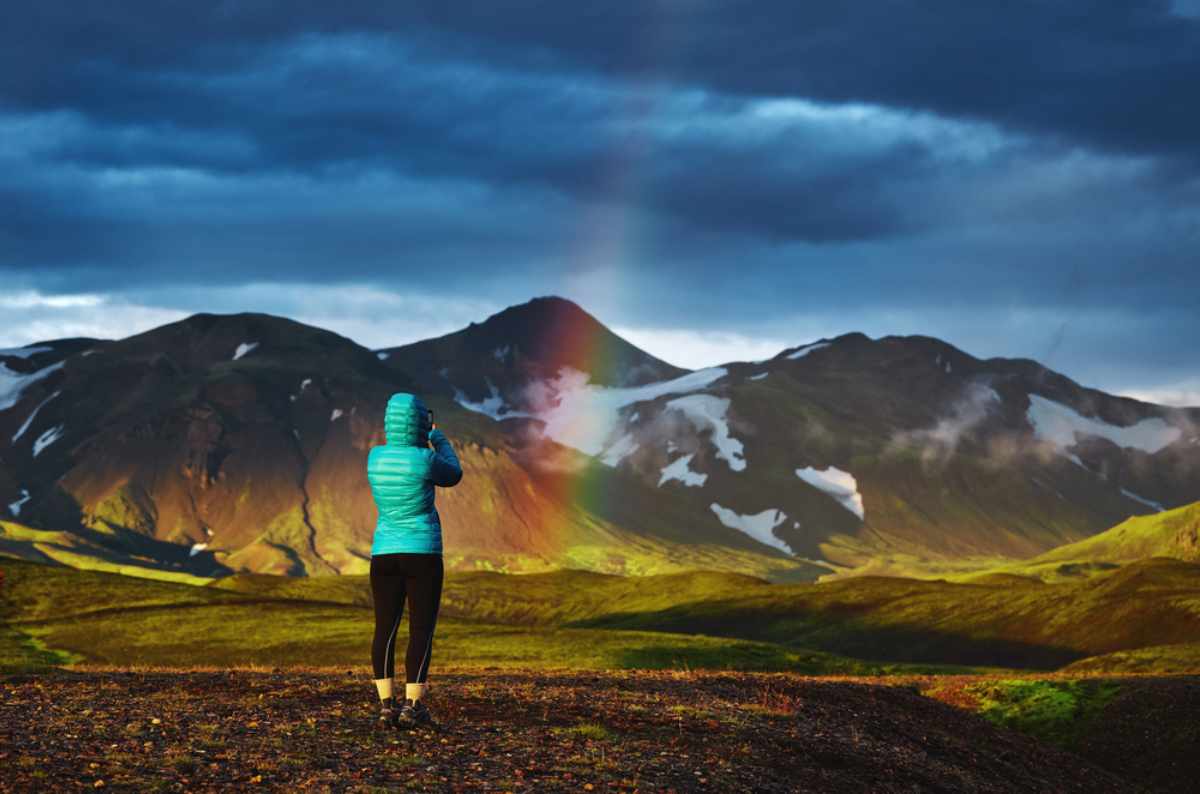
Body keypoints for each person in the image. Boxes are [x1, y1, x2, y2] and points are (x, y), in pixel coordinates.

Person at [365, 392, 462, 729]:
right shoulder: (425, 458)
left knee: (385, 629)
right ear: (420, 421)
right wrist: (437, 437)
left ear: (389, 421)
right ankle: (413, 707)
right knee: (421, 629)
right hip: (422, 552)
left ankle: (385, 705)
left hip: (384, 553)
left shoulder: (374, 458)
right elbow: (453, 473)